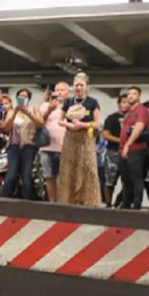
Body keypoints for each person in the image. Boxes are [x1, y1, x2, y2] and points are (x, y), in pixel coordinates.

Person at [57, 72, 102, 207]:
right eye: (76, 85)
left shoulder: (92, 102)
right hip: (70, 138)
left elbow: (97, 123)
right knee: (68, 169)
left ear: (87, 87)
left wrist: (82, 125)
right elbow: (60, 120)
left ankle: (90, 201)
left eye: (81, 85)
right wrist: (69, 125)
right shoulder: (69, 102)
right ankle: (67, 200)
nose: (78, 88)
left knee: (88, 169)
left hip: (86, 138)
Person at [0, 89, 44, 200]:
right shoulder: (12, 111)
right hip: (14, 146)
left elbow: (40, 124)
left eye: (25, 96)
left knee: (26, 175)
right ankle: (1, 201)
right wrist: (14, 113)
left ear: (29, 98)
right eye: (20, 96)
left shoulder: (34, 109)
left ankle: (27, 203)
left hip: (29, 146)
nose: (22, 98)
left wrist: (28, 113)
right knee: (11, 175)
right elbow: (6, 129)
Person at [119, 86, 149, 210]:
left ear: (139, 96)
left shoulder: (141, 110)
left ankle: (136, 207)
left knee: (136, 179)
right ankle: (126, 206)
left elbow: (138, 128)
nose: (131, 96)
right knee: (126, 180)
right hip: (123, 150)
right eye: (129, 94)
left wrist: (128, 145)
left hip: (136, 150)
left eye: (134, 94)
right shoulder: (129, 112)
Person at [38, 82, 68, 202]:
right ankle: (52, 202)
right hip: (47, 146)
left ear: (67, 92)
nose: (60, 92)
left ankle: (63, 202)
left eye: (62, 90)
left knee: (63, 178)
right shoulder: (45, 105)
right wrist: (49, 110)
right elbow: (39, 122)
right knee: (49, 176)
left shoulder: (72, 106)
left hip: (65, 147)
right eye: (57, 90)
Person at [101, 95, 126, 207]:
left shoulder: (134, 118)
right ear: (119, 103)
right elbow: (105, 134)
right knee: (110, 180)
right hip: (113, 152)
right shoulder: (112, 118)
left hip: (129, 153)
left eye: (128, 102)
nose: (125, 104)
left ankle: (120, 203)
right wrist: (120, 140)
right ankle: (108, 204)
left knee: (128, 181)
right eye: (123, 102)